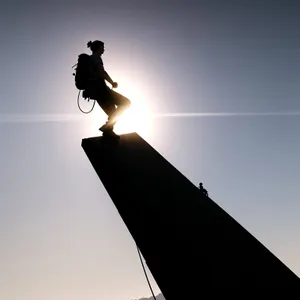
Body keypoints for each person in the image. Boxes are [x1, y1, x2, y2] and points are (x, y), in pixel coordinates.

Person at [85, 40, 131, 137]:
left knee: (113, 114)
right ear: (99, 48)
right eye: (103, 47)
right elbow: (102, 73)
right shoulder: (96, 58)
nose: (104, 50)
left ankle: (108, 131)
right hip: (101, 89)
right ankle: (108, 128)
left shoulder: (88, 60)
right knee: (126, 103)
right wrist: (112, 82)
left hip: (94, 92)